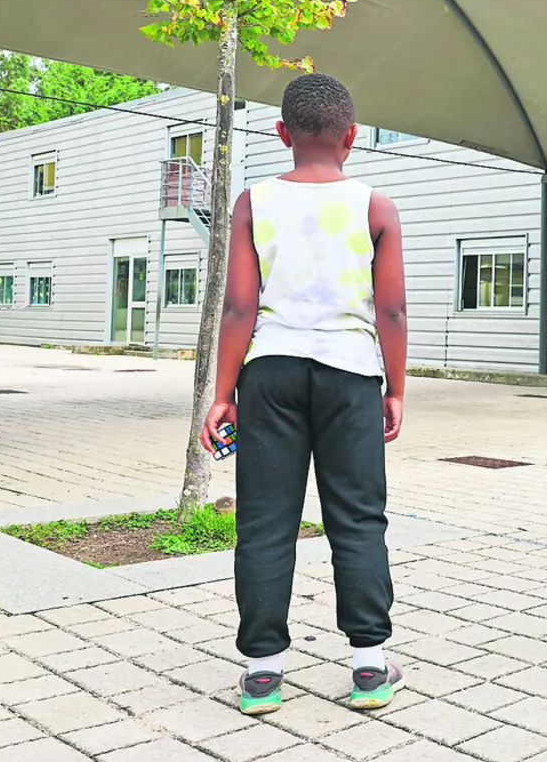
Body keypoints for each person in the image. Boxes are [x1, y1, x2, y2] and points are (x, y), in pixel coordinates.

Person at [200, 73, 408, 713]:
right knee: (358, 518)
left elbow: (237, 307)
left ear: (281, 133)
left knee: (266, 522)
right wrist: (395, 389)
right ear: (352, 136)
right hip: (350, 373)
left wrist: (222, 392)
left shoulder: (253, 202)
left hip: (271, 372)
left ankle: (263, 674)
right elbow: (393, 311)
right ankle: (369, 668)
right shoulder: (375, 206)